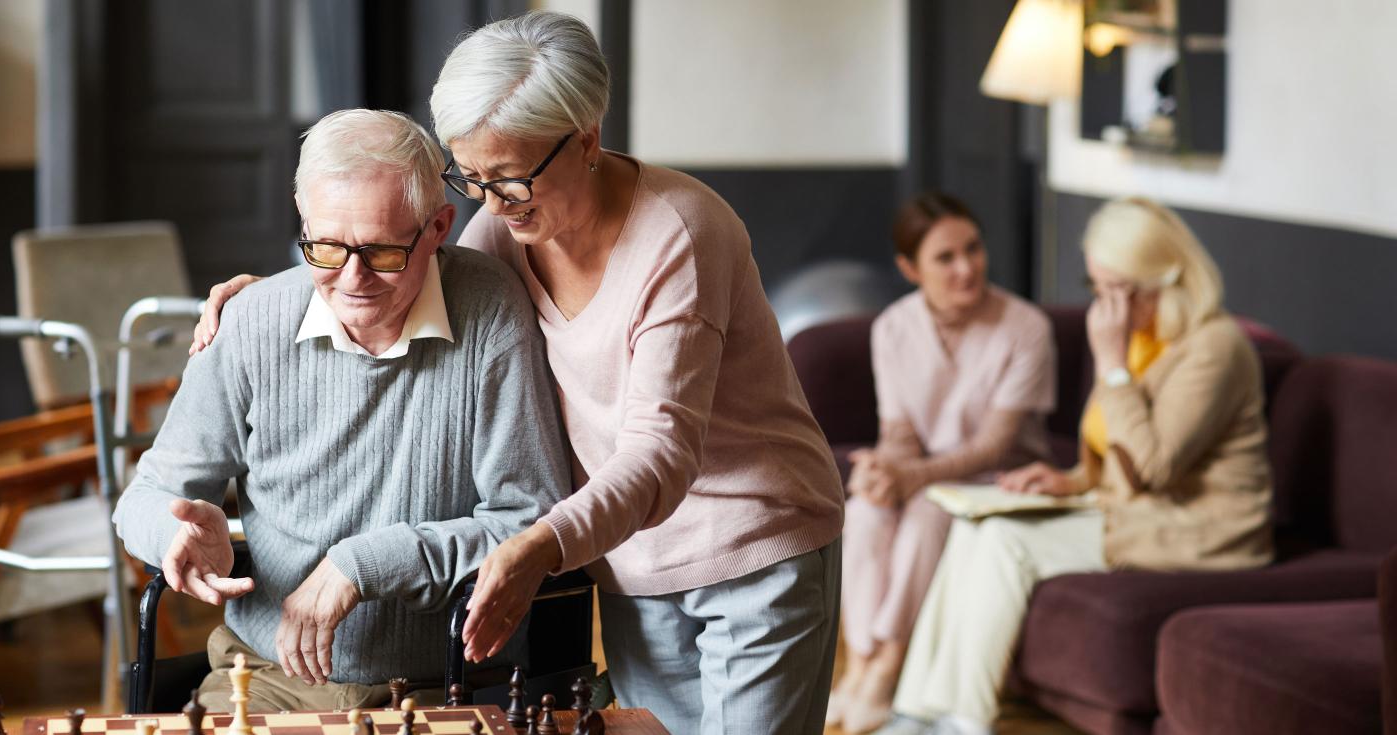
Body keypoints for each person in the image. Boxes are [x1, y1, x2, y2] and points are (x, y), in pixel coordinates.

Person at [188, 12, 844, 734]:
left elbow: (660, 454)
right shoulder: (505, 228)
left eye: (511, 178)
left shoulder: (679, 235)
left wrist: (537, 544)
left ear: (587, 139)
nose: (491, 203)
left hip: (753, 547)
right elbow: (406, 271)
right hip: (628, 558)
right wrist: (272, 295)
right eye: (469, 177)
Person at [115, 109, 570, 713]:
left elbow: (530, 520)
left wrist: (363, 564)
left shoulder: (491, 313)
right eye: (325, 247)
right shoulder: (250, 322)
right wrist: (178, 537)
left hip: (446, 683)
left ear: (437, 228)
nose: (352, 278)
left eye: (382, 252)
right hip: (265, 677)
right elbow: (142, 497)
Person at [876, 197, 1274, 735]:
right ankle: (918, 713)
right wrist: (1071, 481)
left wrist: (1110, 366)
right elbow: (1115, 456)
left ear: (1156, 281)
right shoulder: (1142, 337)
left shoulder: (1215, 348)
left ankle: (962, 722)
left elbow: (1153, 467)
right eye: (1098, 289)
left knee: (1004, 541)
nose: (1104, 307)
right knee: (975, 528)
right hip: (1133, 512)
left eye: (1113, 289)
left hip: (1199, 530)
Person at [832, 193, 1055, 733]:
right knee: (862, 511)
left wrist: (908, 476)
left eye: (973, 250)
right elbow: (900, 434)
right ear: (910, 269)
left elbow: (995, 446)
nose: (967, 268)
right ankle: (857, 666)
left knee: (928, 514)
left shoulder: (1025, 327)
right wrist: (883, 471)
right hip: (928, 475)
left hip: (1000, 480)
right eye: (945, 258)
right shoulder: (893, 328)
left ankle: (886, 668)